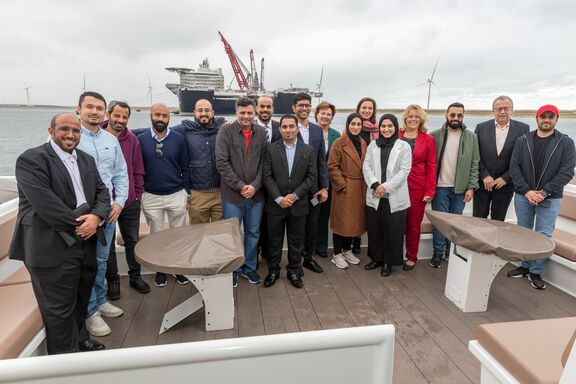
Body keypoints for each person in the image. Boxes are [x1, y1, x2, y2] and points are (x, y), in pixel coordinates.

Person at [9, 113, 110, 353]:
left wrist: (96, 218)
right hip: (50, 247)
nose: (71, 135)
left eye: (76, 131)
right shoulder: (31, 160)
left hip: (86, 242)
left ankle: (80, 339)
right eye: (64, 129)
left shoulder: (86, 159)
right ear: (51, 131)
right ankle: (65, 360)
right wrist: (84, 225)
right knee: (59, 309)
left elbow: (102, 193)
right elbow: (47, 206)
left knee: (81, 297)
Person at [76, 92, 128, 337]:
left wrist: (119, 202)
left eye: (99, 108)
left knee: (100, 261)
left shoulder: (111, 140)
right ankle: (89, 312)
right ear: (79, 109)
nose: (95, 112)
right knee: (84, 265)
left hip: (107, 212)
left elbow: (120, 174)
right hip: (82, 214)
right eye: (90, 107)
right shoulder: (70, 136)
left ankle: (100, 299)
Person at [507, 104, 575, 289]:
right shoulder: (523, 140)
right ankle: (524, 266)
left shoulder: (565, 142)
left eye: (550, 117)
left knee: (544, 234)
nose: (546, 120)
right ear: (537, 118)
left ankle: (536, 271)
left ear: (556, 119)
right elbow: (515, 167)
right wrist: (527, 191)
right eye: (543, 116)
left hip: (550, 198)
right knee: (524, 231)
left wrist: (544, 192)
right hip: (524, 195)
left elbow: (567, 172)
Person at [216, 97, 267, 287]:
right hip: (232, 196)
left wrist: (254, 185)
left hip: (257, 195)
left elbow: (265, 162)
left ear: (255, 113)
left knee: (253, 233)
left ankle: (249, 268)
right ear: (236, 112)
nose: (246, 116)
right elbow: (221, 162)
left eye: (249, 112)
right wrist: (240, 186)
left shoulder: (261, 132)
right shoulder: (225, 131)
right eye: (242, 112)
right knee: (233, 234)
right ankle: (234, 270)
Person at [138, 103, 191, 288]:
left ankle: (177, 268)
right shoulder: (141, 139)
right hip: (151, 195)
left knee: (178, 235)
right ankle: (161, 270)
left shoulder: (179, 139)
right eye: (157, 115)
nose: (161, 119)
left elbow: (185, 166)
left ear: (169, 118)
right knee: (156, 235)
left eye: (165, 116)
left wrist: (186, 191)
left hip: (176, 194)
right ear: (151, 116)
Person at [262, 114, 317, 288]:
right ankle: (273, 271)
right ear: (280, 129)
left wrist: (294, 196)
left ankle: (294, 271)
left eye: (291, 127)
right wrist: (279, 198)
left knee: (296, 242)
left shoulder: (308, 151)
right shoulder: (270, 149)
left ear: (297, 128)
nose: (288, 130)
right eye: (284, 127)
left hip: (298, 205)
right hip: (275, 205)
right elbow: (266, 176)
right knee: (274, 241)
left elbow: (311, 177)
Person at [102, 101, 149, 299]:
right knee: (107, 245)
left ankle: (135, 276)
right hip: (104, 203)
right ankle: (113, 281)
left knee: (132, 241)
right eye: (117, 116)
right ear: (108, 115)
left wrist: (137, 194)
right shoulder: (97, 138)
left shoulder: (132, 140)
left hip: (129, 201)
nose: (120, 120)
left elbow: (138, 169)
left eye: (124, 117)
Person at [430, 102, 479, 268]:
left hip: (461, 189)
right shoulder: (434, 135)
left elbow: (475, 163)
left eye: (459, 115)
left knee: (456, 225)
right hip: (440, 187)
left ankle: (450, 252)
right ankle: (437, 252)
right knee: (440, 224)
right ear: (446, 116)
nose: (456, 118)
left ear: (463, 117)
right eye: (453, 115)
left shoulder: (471, 137)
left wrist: (471, 187)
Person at [363, 114, 412, 276]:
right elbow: (367, 167)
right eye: (383, 126)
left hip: (394, 196)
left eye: (390, 126)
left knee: (393, 231)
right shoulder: (372, 146)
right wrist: (375, 185)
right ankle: (376, 258)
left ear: (396, 127)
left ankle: (388, 262)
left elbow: (404, 172)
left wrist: (384, 187)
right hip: (375, 195)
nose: (386, 129)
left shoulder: (403, 146)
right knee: (375, 229)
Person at [473, 96, 530, 221]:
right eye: (499, 109)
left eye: (506, 108)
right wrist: (484, 175)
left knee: (498, 222)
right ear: (493, 111)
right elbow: (475, 154)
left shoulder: (523, 129)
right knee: (478, 221)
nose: (502, 112)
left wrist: (506, 177)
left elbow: (523, 158)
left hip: (506, 185)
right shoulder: (481, 127)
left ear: (512, 110)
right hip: (482, 184)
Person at [171, 99, 226, 225]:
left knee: (219, 234)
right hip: (197, 195)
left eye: (207, 110)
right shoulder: (185, 129)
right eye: (200, 110)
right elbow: (162, 132)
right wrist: (128, 133)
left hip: (221, 194)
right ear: (194, 112)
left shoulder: (222, 128)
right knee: (198, 234)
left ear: (213, 112)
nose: (203, 113)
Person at [292, 93, 328, 274]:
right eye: (300, 105)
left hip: (314, 189)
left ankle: (309, 258)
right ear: (294, 108)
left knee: (313, 225)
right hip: (294, 189)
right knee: (297, 227)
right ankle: (295, 261)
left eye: (307, 105)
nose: (304, 108)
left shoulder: (316, 130)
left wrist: (324, 186)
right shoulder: (287, 127)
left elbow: (322, 159)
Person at [398, 104, 436, 270]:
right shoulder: (396, 135)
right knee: (396, 223)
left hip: (417, 187)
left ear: (421, 119)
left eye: (417, 116)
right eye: (410, 116)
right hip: (396, 186)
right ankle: (394, 254)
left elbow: (432, 166)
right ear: (405, 118)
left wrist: (429, 191)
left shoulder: (428, 140)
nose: (413, 119)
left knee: (413, 224)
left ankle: (411, 256)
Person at [327, 113, 367, 269]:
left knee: (354, 222)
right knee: (341, 222)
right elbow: (332, 166)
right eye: (353, 124)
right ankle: (336, 254)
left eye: (358, 124)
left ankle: (347, 250)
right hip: (345, 188)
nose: (356, 127)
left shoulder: (363, 143)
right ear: (347, 125)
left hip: (360, 187)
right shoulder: (339, 142)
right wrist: (342, 185)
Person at [255, 95, 281, 262]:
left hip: (274, 183)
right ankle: (253, 255)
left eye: (268, 107)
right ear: (257, 108)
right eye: (262, 106)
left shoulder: (281, 127)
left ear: (273, 109)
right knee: (254, 223)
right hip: (255, 183)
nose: (265, 110)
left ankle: (268, 253)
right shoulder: (248, 125)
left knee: (271, 222)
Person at [314, 101, 340, 258]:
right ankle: (306, 246)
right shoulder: (307, 131)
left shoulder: (336, 135)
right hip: (310, 182)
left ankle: (321, 246)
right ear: (317, 114)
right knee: (308, 216)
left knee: (324, 216)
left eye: (328, 114)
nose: (325, 116)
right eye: (322, 113)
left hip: (328, 183)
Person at [354, 97, 378, 254]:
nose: (367, 111)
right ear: (358, 109)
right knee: (356, 209)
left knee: (370, 210)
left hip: (373, 176)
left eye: (370, 108)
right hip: (356, 175)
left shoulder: (378, 129)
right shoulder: (352, 127)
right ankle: (355, 240)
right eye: (364, 108)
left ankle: (371, 244)